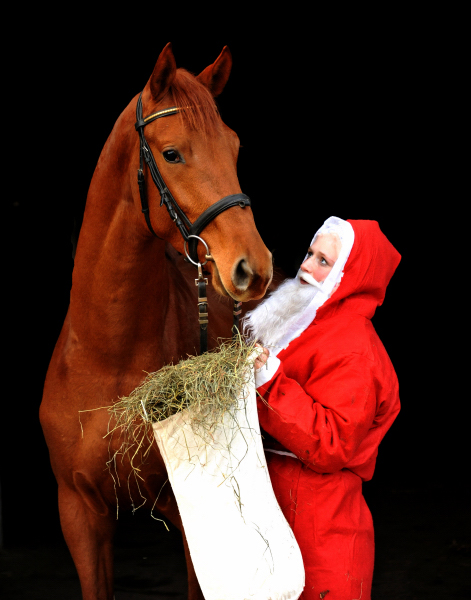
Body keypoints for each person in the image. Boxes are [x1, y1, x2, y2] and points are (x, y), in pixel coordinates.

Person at [243, 216, 401, 600]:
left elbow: (331, 444)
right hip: (281, 511)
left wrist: (269, 380)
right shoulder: (308, 325)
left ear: (350, 274)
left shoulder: (354, 347)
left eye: (324, 261)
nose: (306, 267)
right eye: (309, 254)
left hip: (319, 523)